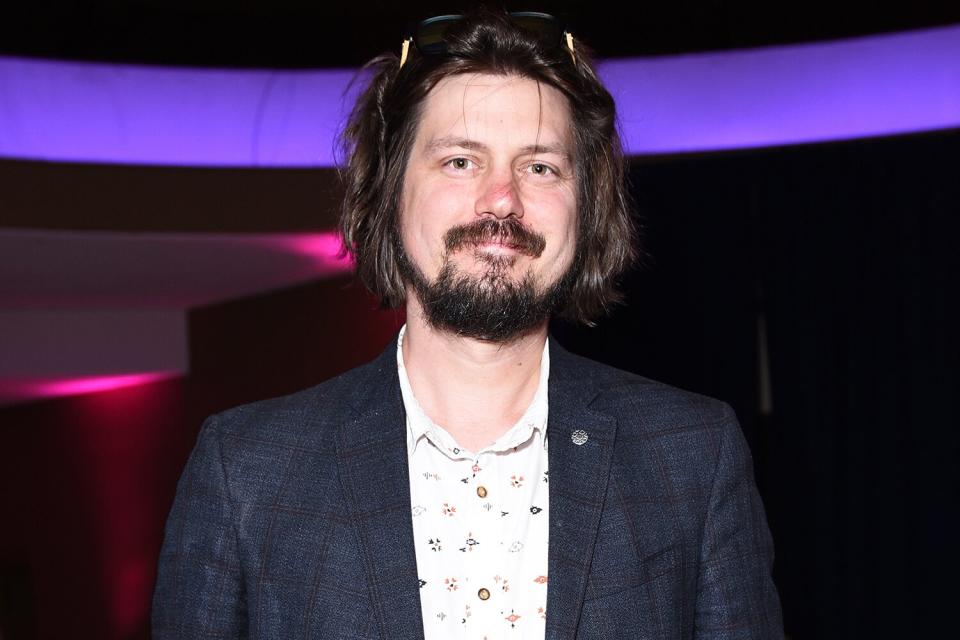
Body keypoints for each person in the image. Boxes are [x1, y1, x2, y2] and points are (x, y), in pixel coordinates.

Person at [152, 8, 782, 639]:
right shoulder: (246, 471)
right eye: (460, 161)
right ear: (390, 195)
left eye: (540, 167)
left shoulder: (693, 457)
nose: (501, 199)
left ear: (585, 210)